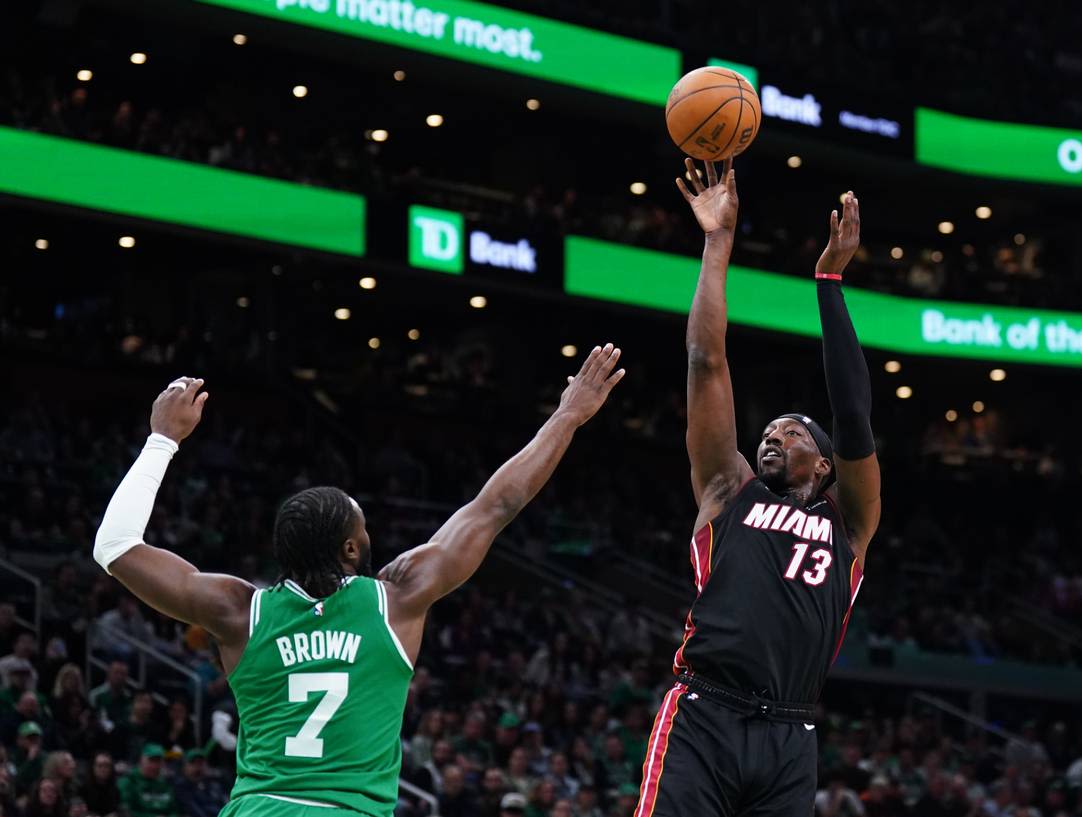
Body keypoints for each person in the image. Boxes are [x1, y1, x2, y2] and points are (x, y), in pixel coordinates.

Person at [92, 349, 624, 817]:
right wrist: (567, 417)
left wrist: (162, 440)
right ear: (351, 548)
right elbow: (496, 506)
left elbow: (114, 546)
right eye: (363, 526)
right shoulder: (397, 598)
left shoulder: (237, 611)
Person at [636, 161, 881, 817]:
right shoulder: (729, 489)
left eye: (792, 432)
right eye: (766, 430)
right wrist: (718, 242)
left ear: (825, 465)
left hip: (791, 734)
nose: (771, 436)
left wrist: (829, 281)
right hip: (705, 713)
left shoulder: (850, 522)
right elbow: (705, 360)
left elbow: (854, 414)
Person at [117, 743, 175, 817]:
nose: (155, 765)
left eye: (158, 761)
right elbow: (125, 812)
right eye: (151, 760)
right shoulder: (128, 782)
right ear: (142, 760)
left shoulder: (165, 784)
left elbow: (175, 810)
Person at [173, 749, 228, 817]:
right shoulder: (181, 787)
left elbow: (227, 805)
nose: (197, 767)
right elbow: (195, 811)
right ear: (184, 766)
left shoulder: (213, 784)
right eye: (193, 763)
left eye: (200, 763)